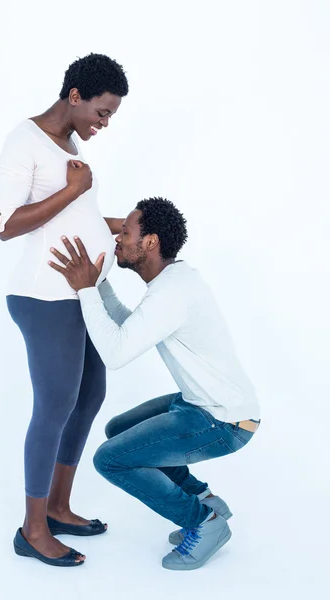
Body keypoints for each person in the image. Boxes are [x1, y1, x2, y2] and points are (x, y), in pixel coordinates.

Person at [48, 197, 261, 571]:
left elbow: (116, 353)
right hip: (202, 404)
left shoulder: (171, 293)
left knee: (111, 459)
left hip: (223, 422)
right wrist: (97, 285)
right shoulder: (174, 282)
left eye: (126, 233)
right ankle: (205, 500)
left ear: (150, 242)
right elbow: (131, 326)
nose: (118, 240)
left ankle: (202, 522)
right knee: (119, 430)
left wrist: (84, 291)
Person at [0, 53, 129, 567]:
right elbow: (8, 223)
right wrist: (75, 189)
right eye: (101, 112)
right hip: (42, 296)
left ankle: (56, 506)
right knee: (54, 406)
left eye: (110, 115)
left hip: (78, 296)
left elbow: (76, 215)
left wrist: (117, 225)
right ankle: (31, 531)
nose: (104, 123)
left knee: (89, 393)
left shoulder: (67, 143)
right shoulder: (23, 139)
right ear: (75, 96)